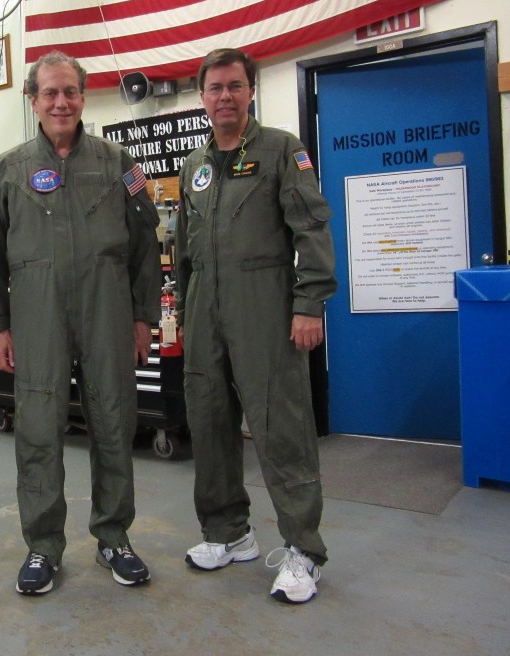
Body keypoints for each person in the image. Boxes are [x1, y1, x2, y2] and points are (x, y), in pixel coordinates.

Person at [0, 51, 162, 595]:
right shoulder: (7, 169)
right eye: (50, 93)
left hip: (107, 308)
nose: (61, 102)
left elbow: (146, 246)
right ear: (32, 100)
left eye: (70, 92)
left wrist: (143, 317)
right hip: (37, 313)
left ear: (83, 97)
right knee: (38, 426)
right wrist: (1, 325)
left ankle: (113, 537)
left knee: (114, 419)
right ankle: (43, 546)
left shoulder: (121, 164)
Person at [174, 48, 337, 604]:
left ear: (251, 92)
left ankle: (303, 550)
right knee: (210, 420)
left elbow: (311, 229)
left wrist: (309, 303)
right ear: (202, 97)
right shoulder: (194, 165)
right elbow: (184, 248)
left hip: (264, 306)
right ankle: (228, 533)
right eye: (215, 88)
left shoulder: (280, 151)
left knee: (280, 426)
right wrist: (179, 309)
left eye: (234, 86)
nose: (225, 96)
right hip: (203, 311)